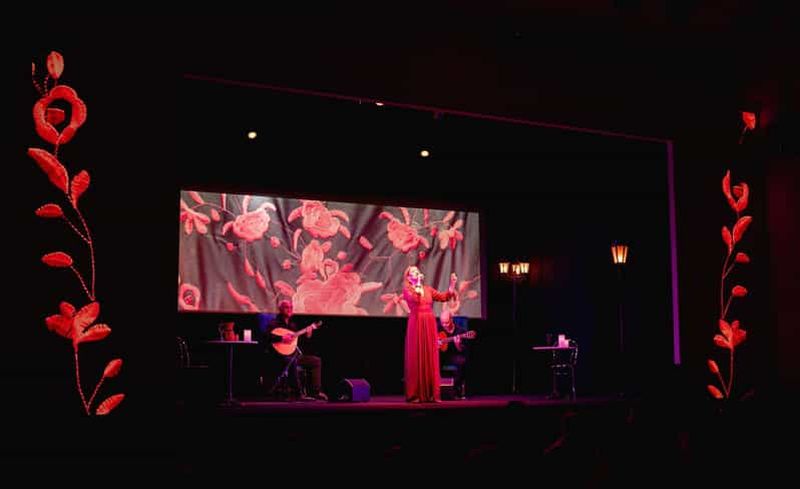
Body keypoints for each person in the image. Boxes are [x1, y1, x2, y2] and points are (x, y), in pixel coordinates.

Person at [402, 266, 457, 403]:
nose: (416, 272)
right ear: (408, 277)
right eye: (413, 272)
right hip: (416, 322)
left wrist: (452, 284)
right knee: (416, 355)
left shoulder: (428, 289)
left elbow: (444, 297)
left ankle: (432, 394)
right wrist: (417, 284)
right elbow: (416, 299)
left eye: (417, 271)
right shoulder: (407, 290)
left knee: (430, 354)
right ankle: (415, 394)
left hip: (429, 323)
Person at [264, 299, 327, 401]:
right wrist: (281, 338)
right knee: (291, 361)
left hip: (292, 355)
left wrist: (308, 334)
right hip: (278, 356)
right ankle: (298, 393)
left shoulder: (293, 325)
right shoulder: (274, 323)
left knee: (316, 361)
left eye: (291, 307)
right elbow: (266, 336)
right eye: (286, 307)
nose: (289, 309)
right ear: (280, 309)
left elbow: (296, 342)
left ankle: (316, 392)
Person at [437, 309, 470, 400]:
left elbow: (462, 350)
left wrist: (457, 344)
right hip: (441, 355)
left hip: (454, 355)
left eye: (446, 323)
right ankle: (436, 390)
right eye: (443, 323)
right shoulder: (438, 327)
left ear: (451, 319)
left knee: (462, 362)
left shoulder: (461, 331)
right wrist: (436, 344)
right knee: (432, 362)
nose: (444, 325)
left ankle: (456, 391)